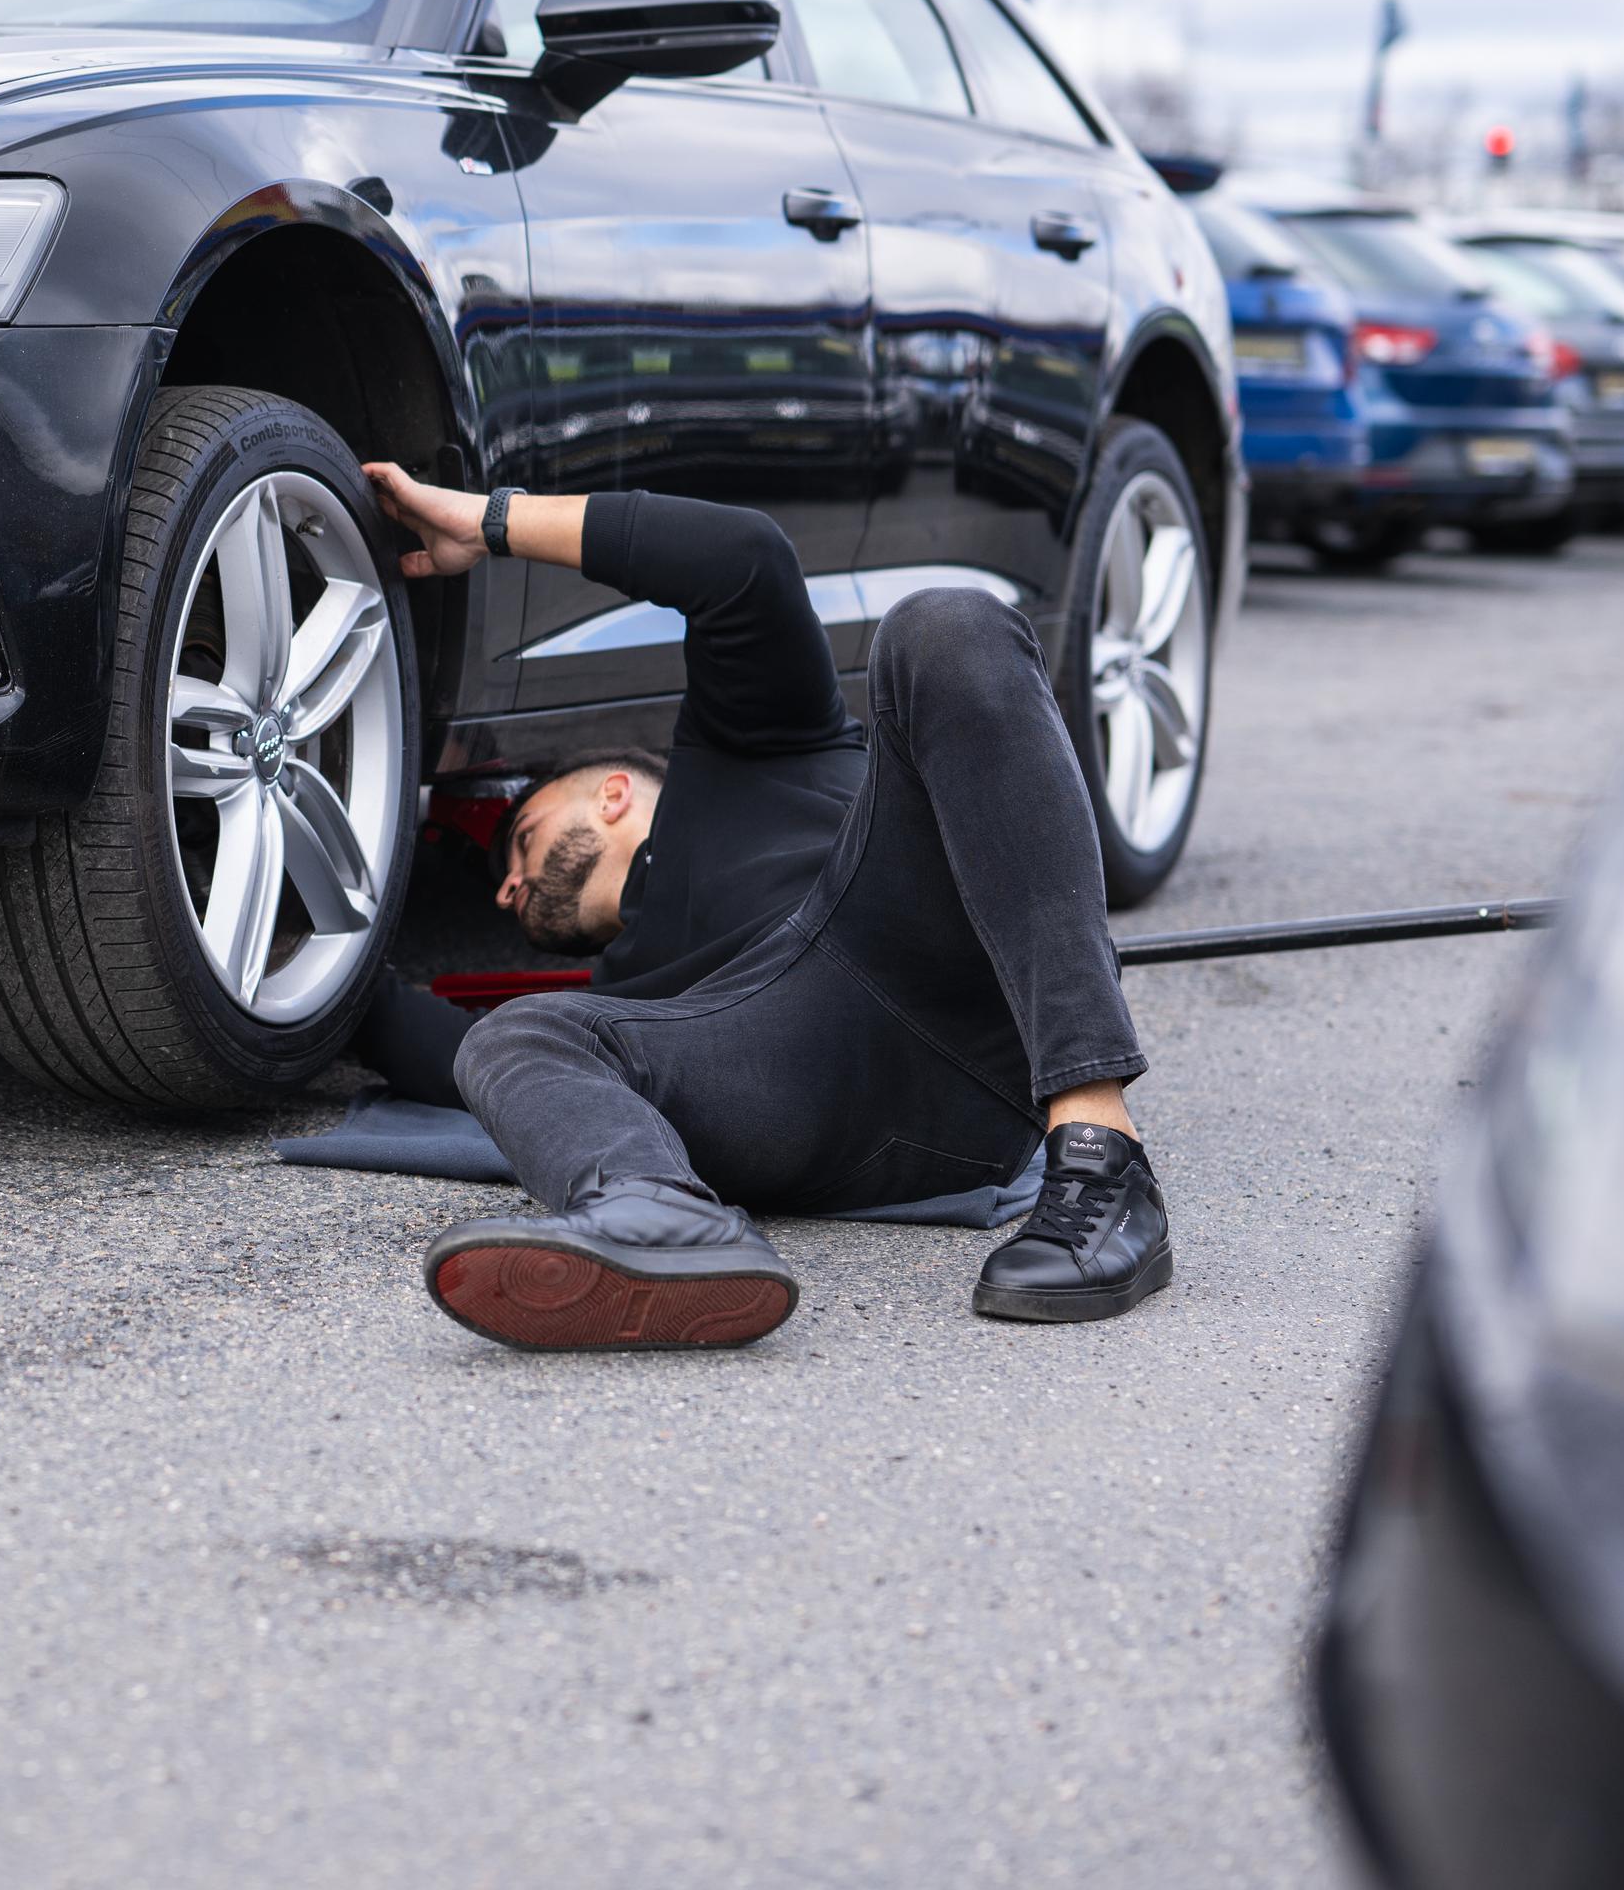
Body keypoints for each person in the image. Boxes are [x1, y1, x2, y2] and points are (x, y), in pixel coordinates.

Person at [354, 464, 1169, 1350]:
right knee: (508, 1040)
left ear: (610, 792)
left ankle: (1102, 1161)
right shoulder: (625, 996)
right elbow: (398, 1028)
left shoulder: (761, 745)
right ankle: (655, 1216)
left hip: (933, 974)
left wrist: (491, 523)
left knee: (945, 624)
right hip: (790, 1077)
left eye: (521, 841)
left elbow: (741, 557)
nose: (507, 888)